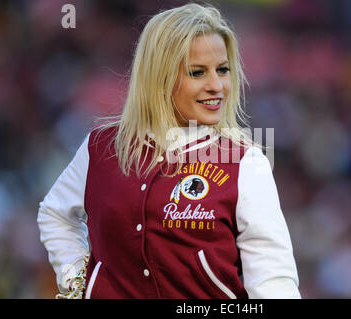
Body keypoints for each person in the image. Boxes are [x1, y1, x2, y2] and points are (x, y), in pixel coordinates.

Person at [37, 3, 301, 299]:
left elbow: (274, 280)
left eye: (223, 70)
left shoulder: (244, 161)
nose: (217, 86)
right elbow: (55, 214)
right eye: (197, 72)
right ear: (159, 76)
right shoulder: (101, 147)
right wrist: (77, 280)